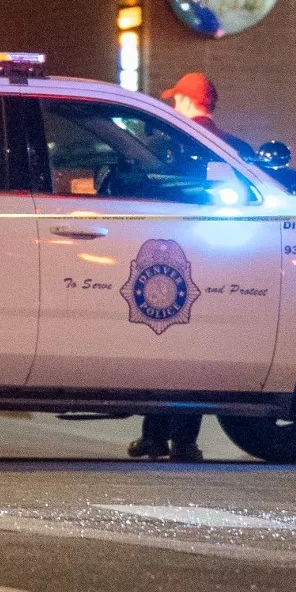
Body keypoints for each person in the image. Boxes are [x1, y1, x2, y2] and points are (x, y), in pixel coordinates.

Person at [128, 74, 218, 459]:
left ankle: (156, 436)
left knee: (163, 335)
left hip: (172, 255)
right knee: (193, 345)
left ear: (184, 101)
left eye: (174, 100)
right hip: (211, 255)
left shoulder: (178, 147)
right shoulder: (229, 145)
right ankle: (184, 440)